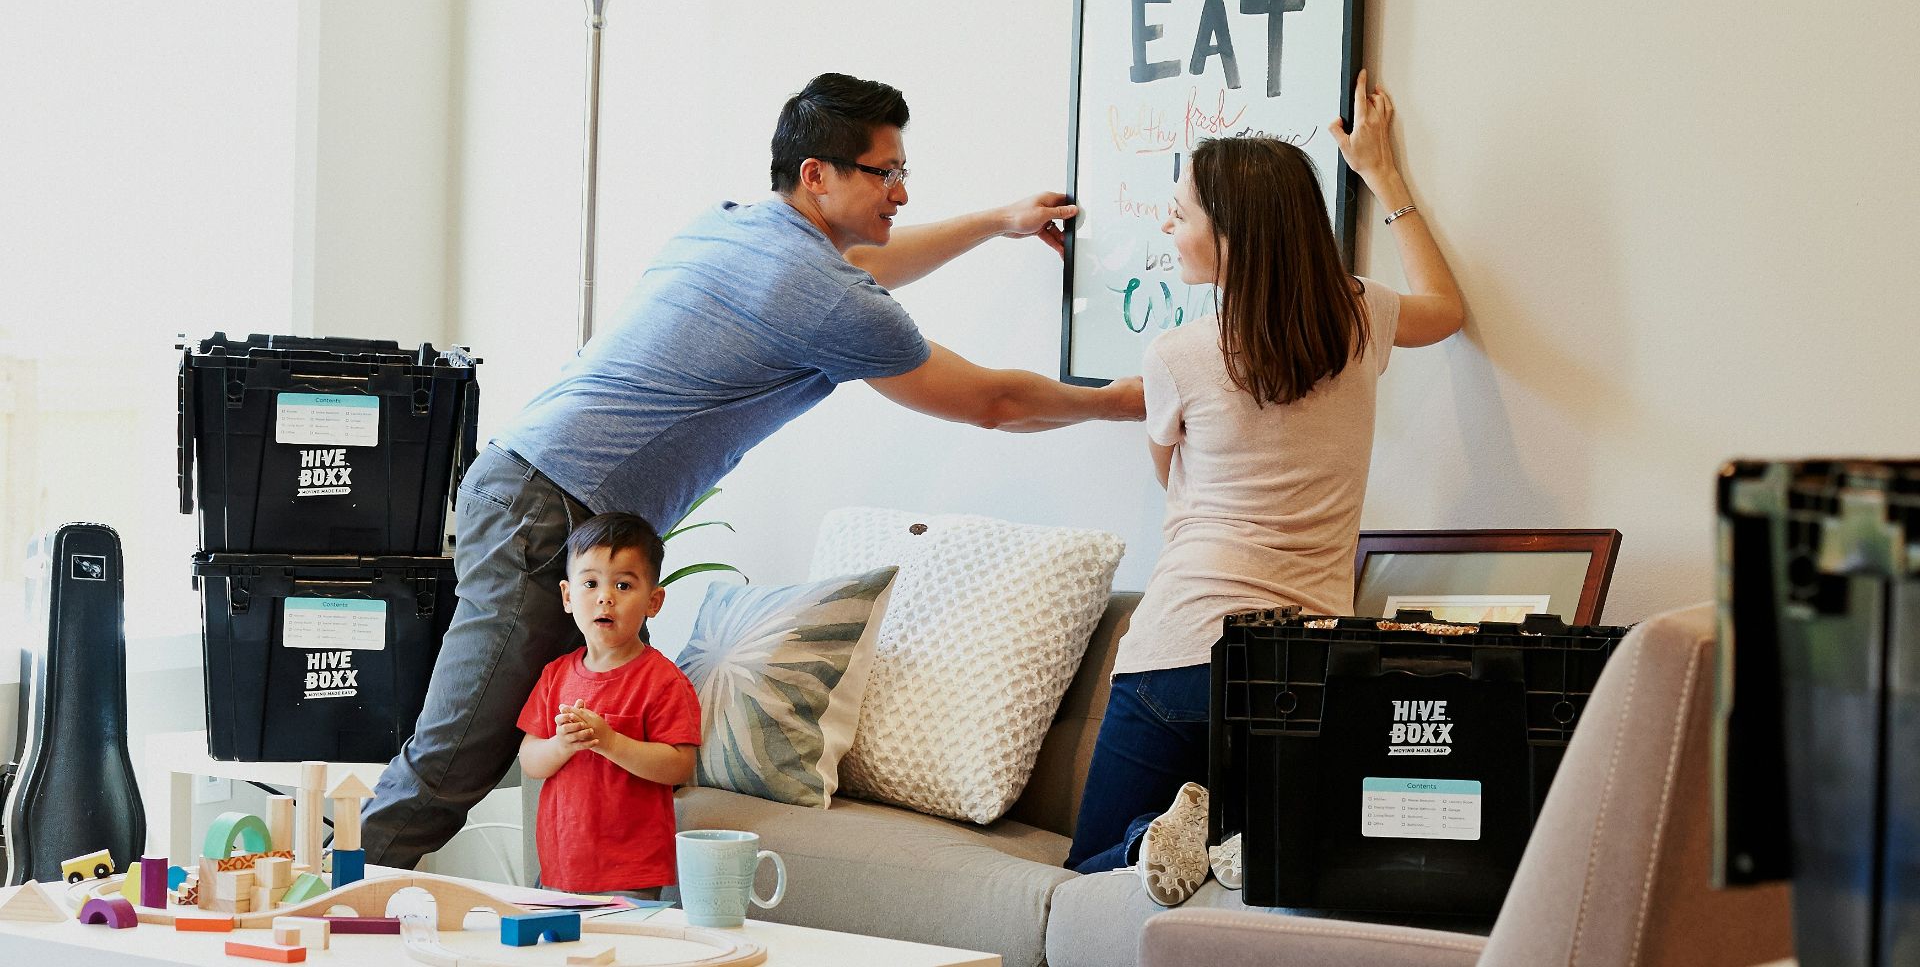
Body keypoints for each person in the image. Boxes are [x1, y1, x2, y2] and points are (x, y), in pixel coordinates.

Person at [361, 72, 1146, 867]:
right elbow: (993, 402)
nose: (900, 195)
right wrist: (1121, 400)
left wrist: (993, 222)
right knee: (457, 755)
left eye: (905, 174)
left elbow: (868, 264)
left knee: (469, 747)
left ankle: (344, 899)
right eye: (886, 173)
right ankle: (322, 915)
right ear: (818, 175)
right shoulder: (826, 296)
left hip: (527, 484)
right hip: (550, 508)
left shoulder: (735, 225)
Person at [1064, 70, 1466, 906]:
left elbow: (1167, 473)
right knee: (1279, 865)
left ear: (1233, 234)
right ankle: (1236, 838)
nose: (1168, 221)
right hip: (1305, 664)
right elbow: (1447, 308)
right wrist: (1384, 176)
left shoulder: (1177, 355)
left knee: (1093, 865)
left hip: (1178, 653)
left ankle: (1177, 838)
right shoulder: (1360, 318)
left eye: (1183, 211)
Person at [516, 512, 699, 897]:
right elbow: (531, 760)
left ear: (654, 600)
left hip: (632, 870)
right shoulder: (555, 675)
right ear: (568, 597)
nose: (605, 597)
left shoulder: (663, 681)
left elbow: (679, 765)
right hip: (562, 862)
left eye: (623, 584)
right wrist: (563, 745)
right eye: (590, 583)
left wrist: (609, 741)